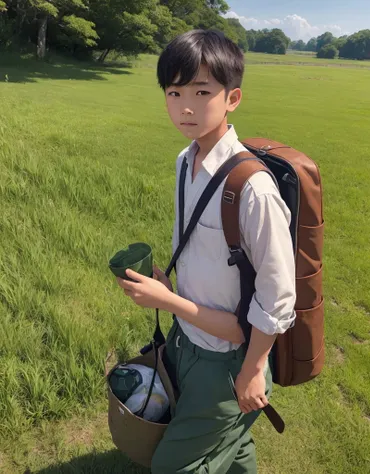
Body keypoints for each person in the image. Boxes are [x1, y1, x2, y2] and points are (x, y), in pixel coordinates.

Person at [116, 29, 296, 474]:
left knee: (172, 466)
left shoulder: (252, 188)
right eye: (174, 92)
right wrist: (167, 284)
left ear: (232, 98)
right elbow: (203, 250)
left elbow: (277, 295)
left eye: (201, 90)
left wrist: (254, 370)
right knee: (232, 447)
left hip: (231, 360)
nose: (186, 107)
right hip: (185, 342)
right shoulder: (185, 160)